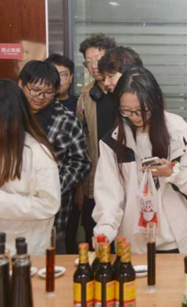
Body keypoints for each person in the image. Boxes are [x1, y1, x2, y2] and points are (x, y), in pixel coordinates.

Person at [92, 67, 187, 253]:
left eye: (142, 110)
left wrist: (173, 173)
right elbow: (109, 195)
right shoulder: (113, 142)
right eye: (127, 111)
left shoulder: (179, 132)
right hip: (134, 243)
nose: (135, 117)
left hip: (176, 239)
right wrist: (104, 232)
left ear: (155, 103)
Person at [0, 80, 60, 255]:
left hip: (24, 247)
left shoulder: (36, 152)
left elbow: (49, 204)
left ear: (8, 114)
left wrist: (0, 201)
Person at [18, 61, 90, 254]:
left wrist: (54, 187)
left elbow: (80, 162)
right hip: (12, 214)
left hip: (53, 217)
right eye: (35, 90)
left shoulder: (66, 121)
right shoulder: (9, 117)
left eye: (48, 92)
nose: (40, 97)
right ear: (21, 84)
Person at [76, 33, 117, 247]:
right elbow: (81, 140)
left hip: (123, 176)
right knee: (96, 238)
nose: (93, 66)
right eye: (88, 61)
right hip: (96, 178)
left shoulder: (126, 91)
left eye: (98, 60)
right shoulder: (86, 95)